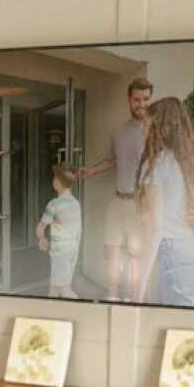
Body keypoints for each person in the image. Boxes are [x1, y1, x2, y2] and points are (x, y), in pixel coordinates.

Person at [72, 77, 154, 301]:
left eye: (146, 99)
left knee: (137, 256)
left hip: (140, 203)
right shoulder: (119, 130)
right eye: (137, 99)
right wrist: (92, 171)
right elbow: (113, 160)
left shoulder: (153, 132)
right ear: (129, 100)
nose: (142, 104)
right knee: (111, 251)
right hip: (118, 200)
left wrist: (149, 205)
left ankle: (137, 300)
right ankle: (113, 296)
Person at [134, 97, 194, 307]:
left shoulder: (156, 165)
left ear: (159, 127)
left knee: (177, 322)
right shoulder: (188, 162)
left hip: (174, 256)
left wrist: (139, 288)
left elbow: (155, 230)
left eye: (146, 124)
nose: (142, 129)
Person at [36, 164, 83, 296]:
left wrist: (42, 238)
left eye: (54, 178)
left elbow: (41, 226)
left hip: (60, 251)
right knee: (55, 287)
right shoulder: (76, 203)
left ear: (57, 182)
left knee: (64, 289)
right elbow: (79, 230)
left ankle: (82, 306)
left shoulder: (54, 204)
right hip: (72, 249)